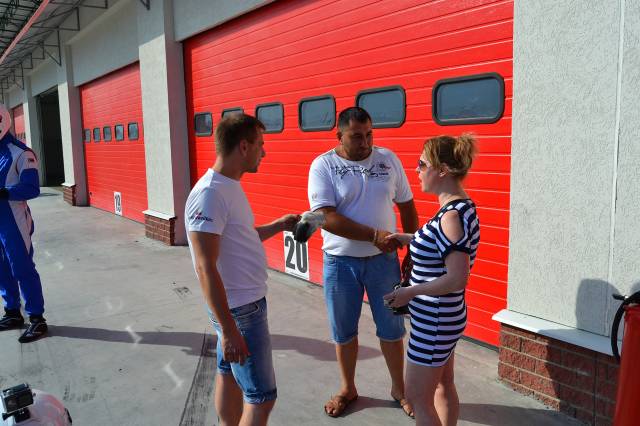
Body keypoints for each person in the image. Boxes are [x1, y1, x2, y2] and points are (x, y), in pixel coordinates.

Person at [185, 113, 299, 426]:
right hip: (239, 310)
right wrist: (229, 329)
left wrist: (278, 225)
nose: (265, 152)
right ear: (244, 147)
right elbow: (205, 266)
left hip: (238, 307)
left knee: (229, 373)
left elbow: (241, 237)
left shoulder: (228, 186)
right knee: (262, 397)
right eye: (261, 144)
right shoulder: (210, 194)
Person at [307, 106, 419, 418]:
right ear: (339, 135)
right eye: (357, 136)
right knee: (343, 330)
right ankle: (348, 388)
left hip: (384, 262)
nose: (365, 142)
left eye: (369, 134)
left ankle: (399, 388)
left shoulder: (387, 159)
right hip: (340, 264)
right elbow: (325, 216)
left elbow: (407, 205)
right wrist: (372, 235)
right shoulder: (323, 166)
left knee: (392, 328)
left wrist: (412, 248)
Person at [383, 134, 480, 426]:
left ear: (443, 170)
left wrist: (410, 292)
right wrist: (410, 239)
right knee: (443, 384)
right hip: (445, 317)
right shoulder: (460, 207)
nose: (417, 169)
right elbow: (442, 247)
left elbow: (457, 277)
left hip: (434, 322)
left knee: (417, 398)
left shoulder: (451, 216)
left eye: (422, 164)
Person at [0, 103, 48, 343]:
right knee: (1, 268)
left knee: (21, 267)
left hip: (14, 222)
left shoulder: (21, 152)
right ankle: (12, 312)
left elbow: (32, 188)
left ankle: (37, 318)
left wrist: (4, 192)